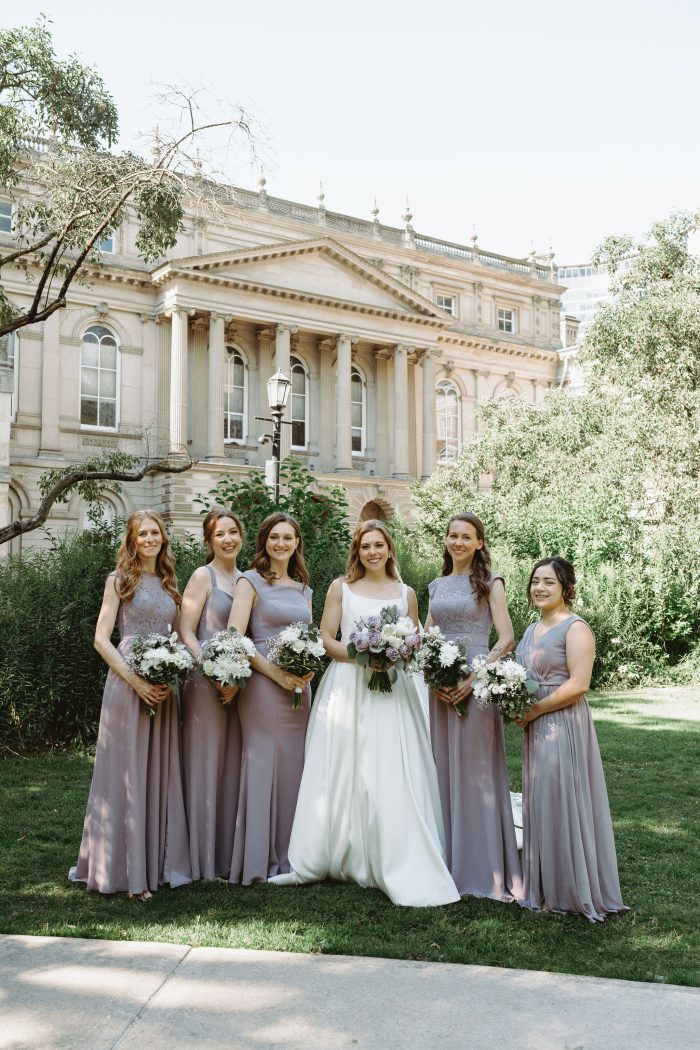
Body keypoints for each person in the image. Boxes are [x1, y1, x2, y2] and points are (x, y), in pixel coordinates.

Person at [270, 520, 460, 907]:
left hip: (394, 688)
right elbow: (326, 638)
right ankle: (339, 850)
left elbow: (413, 638)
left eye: (378, 545)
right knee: (343, 764)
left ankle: (393, 852)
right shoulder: (342, 587)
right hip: (348, 687)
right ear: (357, 552)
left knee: (391, 765)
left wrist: (392, 656)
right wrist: (363, 657)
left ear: (390, 549)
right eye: (364, 546)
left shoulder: (406, 593)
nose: (372, 552)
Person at [69, 511, 191, 898]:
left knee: (157, 771)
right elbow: (101, 639)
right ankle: (123, 871)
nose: (150, 539)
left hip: (163, 684)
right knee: (126, 771)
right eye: (143, 534)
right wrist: (136, 681)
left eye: (156, 533)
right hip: (127, 682)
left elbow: (182, 634)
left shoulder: (172, 583)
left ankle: (153, 864)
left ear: (163, 539)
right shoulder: (119, 580)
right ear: (132, 540)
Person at [515, 556, 627, 921]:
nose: (540, 588)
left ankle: (570, 889)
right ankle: (544, 886)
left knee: (562, 798)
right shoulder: (532, 628)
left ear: (566, 587)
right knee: (540, 798)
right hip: (536, 723)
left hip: (561, 721)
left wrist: (535, 709)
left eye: (548, 581)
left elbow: (579, 684)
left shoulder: (576, 628)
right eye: (535, 581)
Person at [426, 513, 523, 901]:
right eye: (453, 536)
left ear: (479, 542)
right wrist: (433, 679)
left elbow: (507, 638)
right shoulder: (436, 583)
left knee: (476, 770)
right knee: (442, 768)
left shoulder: (489, 581)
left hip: (477, 684)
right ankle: (446, 859)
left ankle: (482, 866)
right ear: (446, 540)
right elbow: (427, 634)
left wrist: (473, 679)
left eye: (466, 537)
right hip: (440, 686)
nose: (458, 542)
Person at [227, 513, 314, 885]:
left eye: (288, 537)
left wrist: (306, 668)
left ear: (297, 543)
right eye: (275, 537)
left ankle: (292, 857)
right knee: (262, 764)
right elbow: (235, 637)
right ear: (264, 541)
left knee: (294, 766)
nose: (281, 543)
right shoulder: (250, 581)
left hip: (299, 687)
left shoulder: (304, 589)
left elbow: (311, 635)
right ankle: (257, 860)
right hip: (263, 684)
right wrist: (275, 673)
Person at [179, 508, 244, 880]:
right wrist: (212, 670)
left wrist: (234, 677)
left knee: (231, 765)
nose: (227, 539)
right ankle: (200, 859)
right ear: (209, 540)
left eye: (233, 532)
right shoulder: (203, 576)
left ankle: (225, 856)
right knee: (204, 762)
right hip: (204, 682)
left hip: (238, 685)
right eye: (219, 534)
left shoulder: (246, 579)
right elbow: (186, 630)